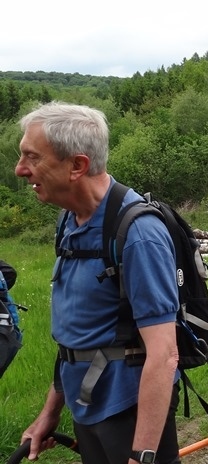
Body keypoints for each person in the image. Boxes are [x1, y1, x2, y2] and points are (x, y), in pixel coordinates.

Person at [15, 102, 181, 464]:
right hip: (85, 404)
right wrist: (50, 412)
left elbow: (165, 354)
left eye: (32, 157)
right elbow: (78, 336)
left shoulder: (138, 233)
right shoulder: (69, 221)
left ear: (77, 165)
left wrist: (143, 454)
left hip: (129, 408)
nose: (20, 170)